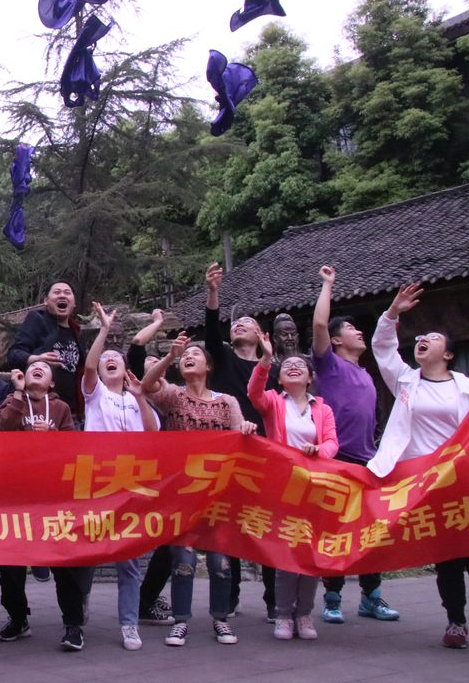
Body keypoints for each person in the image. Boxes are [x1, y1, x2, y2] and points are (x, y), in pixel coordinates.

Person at [366, 283, 469, 650]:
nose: (423, 339)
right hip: (425, 481)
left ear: (448, 354)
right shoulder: (406, 381)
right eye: (421, 337)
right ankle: (456, 622)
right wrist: (392, 312)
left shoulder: (468, 388)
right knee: (445, 555)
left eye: (433, 337)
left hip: (464, 480)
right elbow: (383, 348)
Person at [140, 333, 257, 648]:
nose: (188, 357)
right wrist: (169, 356)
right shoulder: (173, 396)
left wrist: (246, 428)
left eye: (196, 354)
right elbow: (146, 385)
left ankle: (220, 618)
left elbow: (239, 433)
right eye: (185, 356)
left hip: (217, 494)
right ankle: (180, 622)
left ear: (209, 366)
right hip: (181, 493)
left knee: (220, 562)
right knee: (183, 560)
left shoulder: (226, 402)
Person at [311, 266, 400, 623]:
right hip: (338, 459)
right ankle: (332, 597)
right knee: (335, 529)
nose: (358, 331)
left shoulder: (365, 374)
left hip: (368, 461)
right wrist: (327, 285)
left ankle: (371, 597)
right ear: (335, 341)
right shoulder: (328, 365)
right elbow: (320, 324)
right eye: (350, 329)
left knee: (370, 530)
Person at [247, 333, 338, 642]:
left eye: (300, 365)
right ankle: (284, 614)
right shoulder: (274, 402)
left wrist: (319, 451)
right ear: (281, 378)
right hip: (283, 485)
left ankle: (305, 613)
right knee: (287, 552)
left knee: (309, 551)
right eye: (287, 366)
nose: (294, 367)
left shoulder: (322, 409)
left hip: (314, 485)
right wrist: (266, 358)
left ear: (310, 378)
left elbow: (332, 442)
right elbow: (253, 392)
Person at [81, 304, 158, 651]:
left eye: (116, 357)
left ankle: (129, 623)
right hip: (97, 481)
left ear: (126, 368)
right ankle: (79, 604)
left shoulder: (136, 398)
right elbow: (88, 366)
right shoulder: (94, 394)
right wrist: (103, 331)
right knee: (86, 553)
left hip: (130, 483)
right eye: (105, 359)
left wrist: (141, 399)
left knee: (128, 561)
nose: (110, 359)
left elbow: (153, 433)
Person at [204, 262, 274, 619]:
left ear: (262, 335)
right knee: (229, 527)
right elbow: (211, 331)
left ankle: (275, 600)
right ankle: (229, 596)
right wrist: (213, 292)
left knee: (267, 527)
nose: (238, 325)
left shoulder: (274, 371)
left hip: (266, 454)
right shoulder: (224, 360)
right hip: (229, 452)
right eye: (235, 324)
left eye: (246, 322)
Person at [0, 359, 76, 647]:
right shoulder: (11, 401)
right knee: (10, 566)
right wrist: (17, 393)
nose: (37, 368)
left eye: (44, 368)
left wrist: (51, 437)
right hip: (15, 498)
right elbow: (2, 431)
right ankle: (18, 618)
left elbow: (74, 448)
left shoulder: (61, 408)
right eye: (32, 367)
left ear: (52, 382)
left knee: (65, 564)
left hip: (52, 498)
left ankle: (73, 624)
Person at [129, 310, 177, 627]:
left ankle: (146, 598)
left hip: (172, 475)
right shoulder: (135, 391)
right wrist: (159, 323)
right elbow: (136, 345)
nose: (151, 364)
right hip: (137, 474)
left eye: (157, 363)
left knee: (171, 541)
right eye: (147, 363)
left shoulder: (175, 397)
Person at [8, 282, 85, 424]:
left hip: (69, 413)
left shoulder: (76, 331)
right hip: (37, 410)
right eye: (57, 292)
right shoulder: (37, 319)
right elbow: (14, 354)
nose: (62, 295)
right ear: (46, 301)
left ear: (74, 303)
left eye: (67, 292)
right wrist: (37, 359)